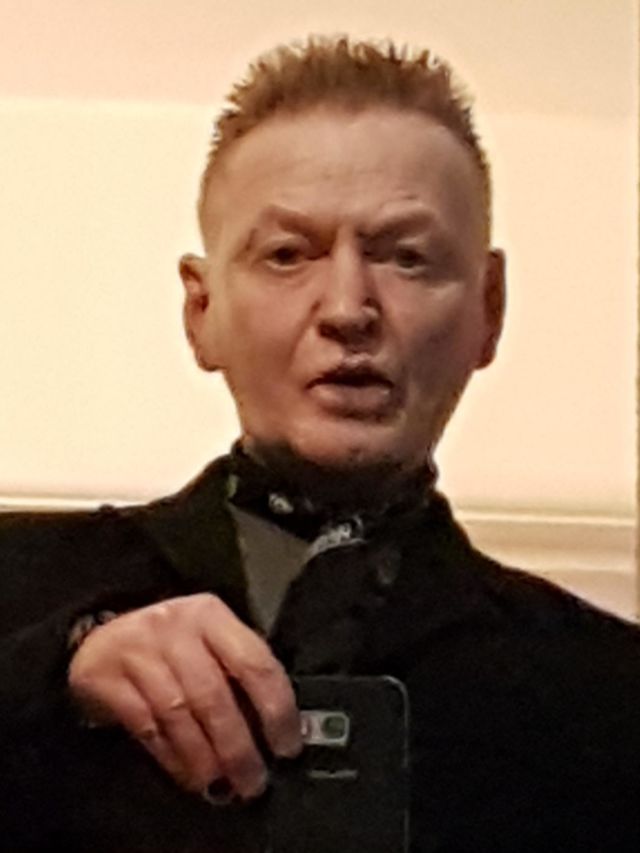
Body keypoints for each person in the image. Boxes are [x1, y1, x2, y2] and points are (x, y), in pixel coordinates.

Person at [1, 35, 639, 853]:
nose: (347, 308)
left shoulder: (611, 693)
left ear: (489, 308)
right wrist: (46, 682)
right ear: (202, 311)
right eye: (287, 255)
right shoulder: (18, 591)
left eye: (407, 258)